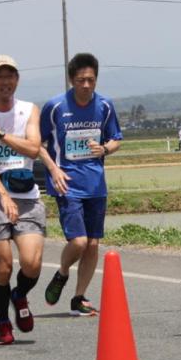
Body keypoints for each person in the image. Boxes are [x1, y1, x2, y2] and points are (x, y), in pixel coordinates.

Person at [39, 53, 123, 317]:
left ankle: (79, 297)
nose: (86, 85)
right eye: (80, 80)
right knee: (79, 242)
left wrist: (105, 149)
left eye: (91, 80)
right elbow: (37, 144)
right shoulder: (54, 106)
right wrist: (53, 170)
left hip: (96, 184)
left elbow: (116, 138)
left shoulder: (105, 106)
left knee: (94, 244)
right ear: (71, 80)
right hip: (67, 183)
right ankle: (62, 273)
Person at [0, 55, 44, 345]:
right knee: (3, 267)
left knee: (32, 263)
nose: (5, 81)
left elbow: (33, 149)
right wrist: (3, 195)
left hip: (26, 195)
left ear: (17, 79)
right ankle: (2, 322)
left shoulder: (29, 110)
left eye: (10, 75)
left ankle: (20, 294)